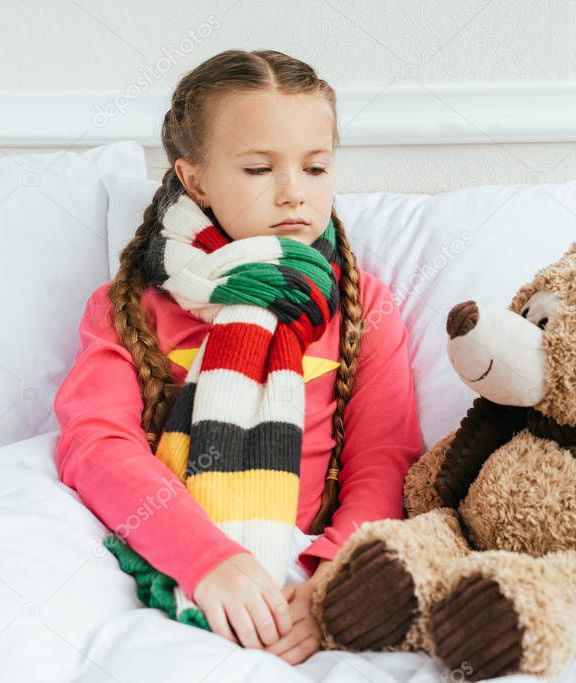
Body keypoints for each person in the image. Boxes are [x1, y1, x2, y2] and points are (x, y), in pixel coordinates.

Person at [53, 49, 422, 666]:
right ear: (194, 178)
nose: (292, 194)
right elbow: (97, 445)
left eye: (315, 167)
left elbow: (385, 458)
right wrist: (207, 561)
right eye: (258, 169)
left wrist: (333, 575)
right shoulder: (133, 306)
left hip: (310, 558)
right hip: (175, 546)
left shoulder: (360, 301)